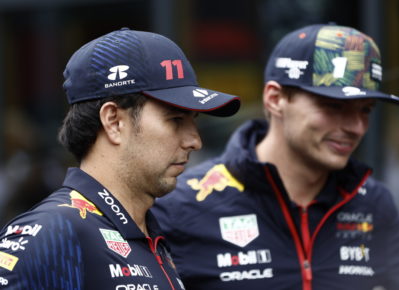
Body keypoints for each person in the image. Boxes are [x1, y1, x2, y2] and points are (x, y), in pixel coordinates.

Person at [152, 24, 399, 290]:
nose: (355, 127)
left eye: (366, 110)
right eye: (334, 106)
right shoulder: (182, 206)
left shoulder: (372, 203)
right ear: (275, 98)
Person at [0, 28, 240, 289]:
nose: (195, 141)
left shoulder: (150, 233)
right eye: (175, 120)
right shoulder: (52, 231)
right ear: (114, 121)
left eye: (194, 121)